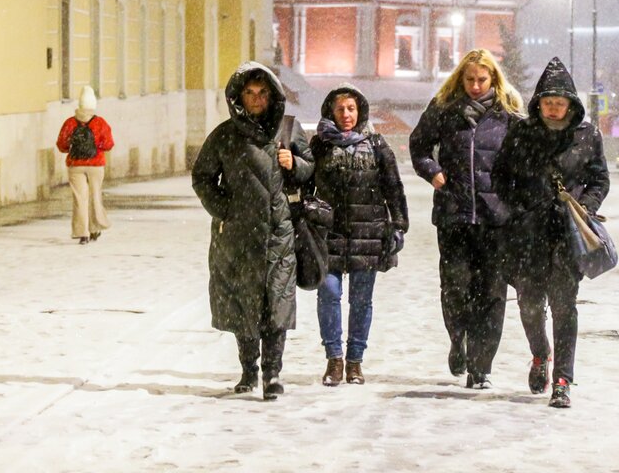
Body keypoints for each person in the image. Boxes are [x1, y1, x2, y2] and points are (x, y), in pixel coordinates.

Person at [491, 57, 609, 409]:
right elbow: (500, 176)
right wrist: (520, 205)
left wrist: (584, 206)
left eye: (561, 103)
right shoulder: (522, 134)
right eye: (548, 102)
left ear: (571, 105)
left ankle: (562, 380)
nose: (554, 109)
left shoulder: (587, 136)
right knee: (529, 305)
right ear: (538, 103)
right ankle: (540, 354)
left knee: (564, 306)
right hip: (526, 234)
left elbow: (599, 179)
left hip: (566, 234)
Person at [191, 62, 309, 400]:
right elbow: (202, 177)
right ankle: (248, 370)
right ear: (239, 97)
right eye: (250, 93)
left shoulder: (288, 129)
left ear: (272, 96)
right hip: (238, 236)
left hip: (278, 234)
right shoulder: (225, 135)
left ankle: (272, 375)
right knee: (243, 304)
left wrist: (295, 165)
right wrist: (223, 209)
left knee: (277, 303)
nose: (256, 99)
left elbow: (310, 171)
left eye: (262, 93)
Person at [409, 49, 525, 389]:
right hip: (454, 214)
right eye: (470, 79)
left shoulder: (508, 114)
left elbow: (525, 156)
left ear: (493, 80)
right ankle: (457, 336)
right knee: (456, 287)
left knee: (491, 293)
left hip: (495, 218)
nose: (476, 86)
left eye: (482, 79)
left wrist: (515, 193)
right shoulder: (445, 109)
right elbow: (418, 146)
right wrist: (433, 172)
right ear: (461, 78)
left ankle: (481, 366)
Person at [311, 85, 409, 387]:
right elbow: (303, 182)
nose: (346, 115)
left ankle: (355, 361)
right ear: (331, 111)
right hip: (329, 234)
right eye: (340, 109)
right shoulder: (319, 146)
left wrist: (398, 224)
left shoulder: (377, 145)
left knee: (361, 300)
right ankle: (334, 359)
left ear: (360, 111)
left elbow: (393, 186)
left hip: (368, 232)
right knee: (328, 294)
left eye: (351, 108)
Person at [55, 86, 114, 244]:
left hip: (76, 165)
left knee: (80, 198)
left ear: (79, 105)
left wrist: (74, 148)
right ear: (93, 106)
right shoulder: (100, 123)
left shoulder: (70, 123)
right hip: (96, 165)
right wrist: (95, 147)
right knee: (95, 196)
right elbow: (109, 144)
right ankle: (95, 228)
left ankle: (83, 233)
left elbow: (61, 145)